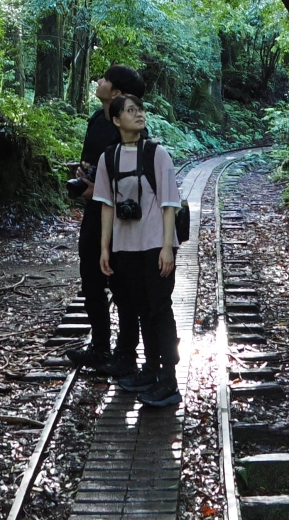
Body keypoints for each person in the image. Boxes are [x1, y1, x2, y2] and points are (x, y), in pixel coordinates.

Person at [92, 92, 181, 408]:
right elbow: (105, 205)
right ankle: (150, 370)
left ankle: (169, 380)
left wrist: (168, 247)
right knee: (139, 309)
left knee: (159, 309)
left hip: (155, 243)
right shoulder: (109, 158)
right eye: (131, 111)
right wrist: (105, 248)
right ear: (116, 120)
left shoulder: (157, 155)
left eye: (140, 109)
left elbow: (170, 204)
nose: (139, 114)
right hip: (125, 246)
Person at [65, 64, 146, 372]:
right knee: (91, 278)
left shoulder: (132, 127)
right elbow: (94, 163)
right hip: (95, 214)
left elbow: (135, 179)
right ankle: (100, 346)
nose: (98, 81)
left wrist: (96, 187)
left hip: (123, 218)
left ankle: (126, 354)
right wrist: (83, 173)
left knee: (123, 283)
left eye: (104, 79)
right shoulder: (97, 120)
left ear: (117, 92)